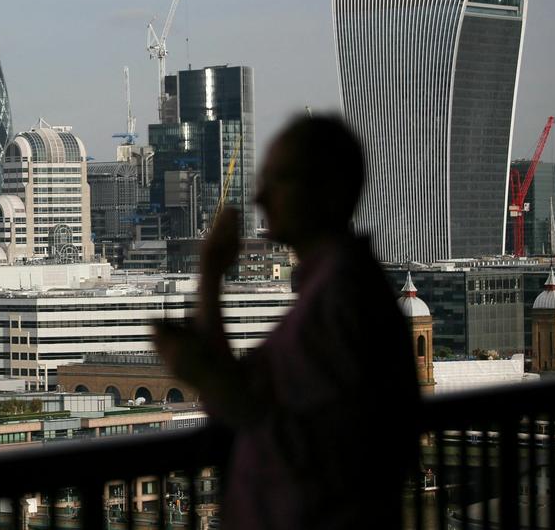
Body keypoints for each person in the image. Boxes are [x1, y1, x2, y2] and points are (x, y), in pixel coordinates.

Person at [155, 115, 419, 530]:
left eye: (279, 179)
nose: (259, 197)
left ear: (328, 191)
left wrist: (208, 278)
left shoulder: (336, 300)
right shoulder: (341, 286)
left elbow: (241, 403)